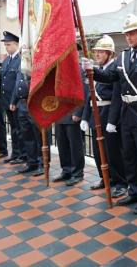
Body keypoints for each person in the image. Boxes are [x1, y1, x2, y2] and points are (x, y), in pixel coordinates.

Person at [82, 14, 137, 215]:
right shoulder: (124, 56)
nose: (128, 38)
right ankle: (134, 191)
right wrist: (92, 70)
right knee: (129, 156)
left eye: (132, 34)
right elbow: (111, 77)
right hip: (126, 114)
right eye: (126, 34)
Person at [81, 35, 127, 197]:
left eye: (101, 52)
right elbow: (90, 95)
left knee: (113, 152)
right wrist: (85, 117)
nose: (97, 55)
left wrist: (113, 120)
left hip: (108, 115)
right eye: (96, 52)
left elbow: (116, 97)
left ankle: (120, 182)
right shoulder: (98, 70)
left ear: (110, 54)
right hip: (96, 114)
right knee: (98, 151)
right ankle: (105, 177)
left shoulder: (113, 68)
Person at [53, 43, 87, 186]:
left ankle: (77, 172)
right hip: (60, 113)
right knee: (62, 144)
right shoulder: (60, 70)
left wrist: (78, 112)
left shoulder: (80, 70)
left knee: (75, 145)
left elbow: (85, 92)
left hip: (73, 114)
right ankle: (66, 169)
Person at [0, 31, 23, 164]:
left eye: (8, 44)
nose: (6, 47)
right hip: (7, 100)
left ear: (16, 44)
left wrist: (13, 101)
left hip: (16, 101)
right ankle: (15, 153)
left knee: (19, 129)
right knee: (13, 129)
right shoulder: (7, 60)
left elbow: (17, 83)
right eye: (5, 45)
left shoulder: (19, 60)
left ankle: (22, 154)